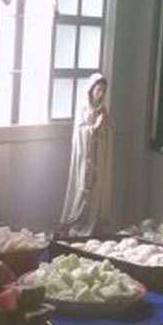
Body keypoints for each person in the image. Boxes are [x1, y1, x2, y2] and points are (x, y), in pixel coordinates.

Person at [59, 72, 113, 237]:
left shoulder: (103, 110)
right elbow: (79, 133)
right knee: (83, 189)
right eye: (98, 90)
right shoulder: (84, 109)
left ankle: (92, 225)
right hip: (86, 158)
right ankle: (76, 223)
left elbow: (108, 132)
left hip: (98, 157)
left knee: (96, 191)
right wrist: (93, 129)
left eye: (103, 91)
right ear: (91, 90)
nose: (101, 94)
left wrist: (103, 129)